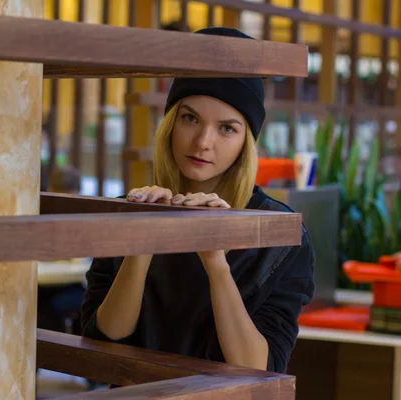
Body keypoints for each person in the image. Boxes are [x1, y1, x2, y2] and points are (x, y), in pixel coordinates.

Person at [80, 27, 316, 374]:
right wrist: (141, 242)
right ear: (171, 124)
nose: (203, 141)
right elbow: (105, 336)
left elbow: (261, 366)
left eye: (227, 128)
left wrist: (215, 260)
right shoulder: (127, 211)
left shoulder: (279, 235)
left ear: (245, 141)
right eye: (190, 118)